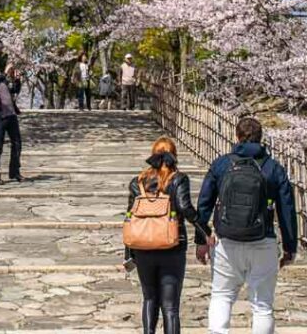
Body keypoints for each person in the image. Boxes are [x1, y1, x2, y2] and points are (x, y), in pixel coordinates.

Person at [195, 117, 298, 334]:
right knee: (262, 306)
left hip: (226, 241)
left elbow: (204, 203)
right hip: (263, 240)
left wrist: (201, 240)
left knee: (222, 296)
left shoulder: (222, 164)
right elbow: (287, 209)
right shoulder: (273, 168)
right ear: (261, 138)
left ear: (237, 136)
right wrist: (290, 247)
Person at [125, 137, 203, 334]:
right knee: (170, 307)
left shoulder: (138, 182)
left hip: (142, 247)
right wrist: (206, 231)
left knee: (149, 298)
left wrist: (129, 253)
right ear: (173, 155)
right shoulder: (178, 179)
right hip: (172, 247)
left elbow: (129, 217)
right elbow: (185, 208)